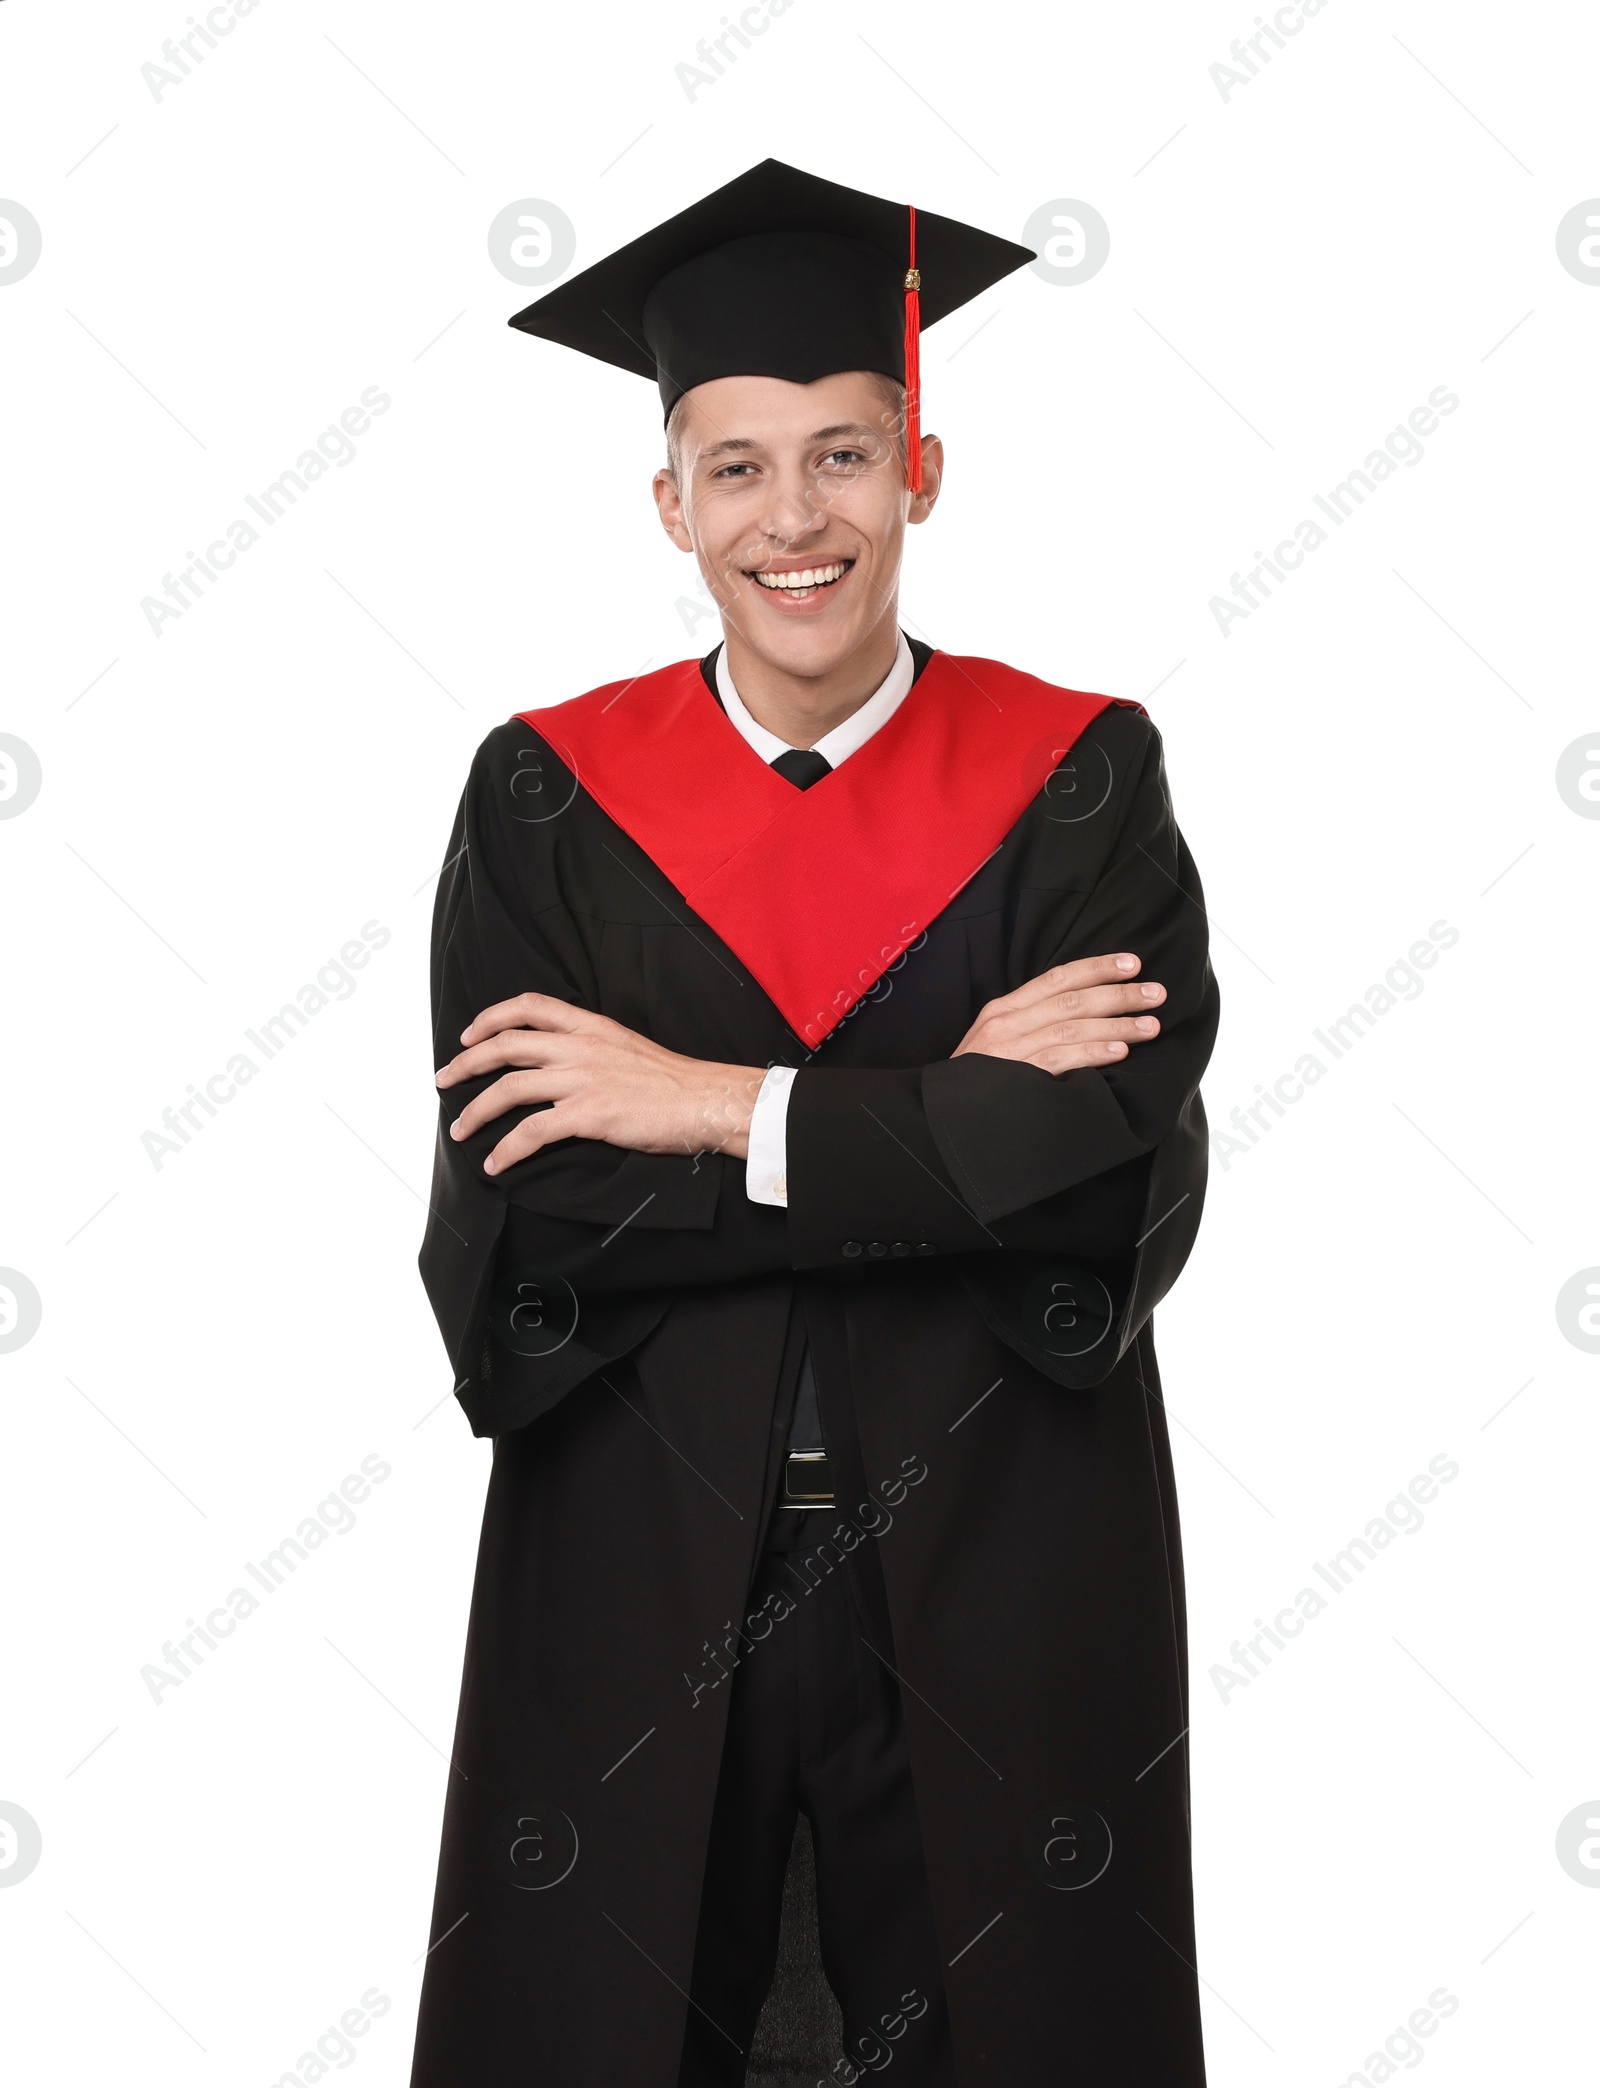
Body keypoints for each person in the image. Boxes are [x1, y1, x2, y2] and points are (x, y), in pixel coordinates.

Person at [409, 158, 1219, 2087]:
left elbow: (1102, 1163)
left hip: (1010, 1552)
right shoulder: (547, 796)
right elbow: (537, 1199)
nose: (799, 518)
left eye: (846, 457)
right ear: (670, 500)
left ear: (920, 476)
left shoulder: (1081, 776)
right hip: (635, 1554)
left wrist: (707, 1109)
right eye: (743, 465)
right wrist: (942, 1132)